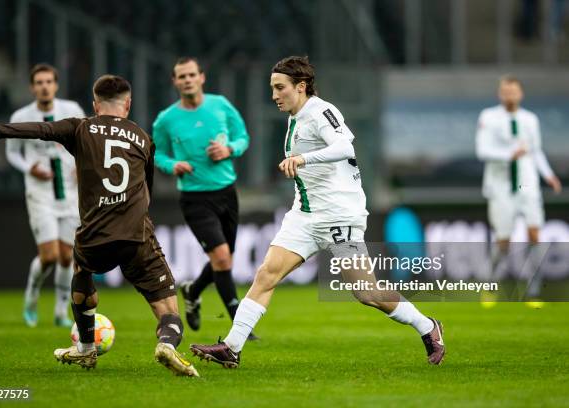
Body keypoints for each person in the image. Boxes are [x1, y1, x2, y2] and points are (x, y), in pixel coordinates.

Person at [189, 56, 445, 368]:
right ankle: (231, 347)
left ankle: (428, 326)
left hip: (339, 216)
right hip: (305, 216)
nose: (274, 95)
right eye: (272, 88)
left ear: (301, 86)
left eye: (280, 87)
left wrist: (304, 159)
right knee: (267, 273)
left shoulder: (321, 111)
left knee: (367, 293)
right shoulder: (295, 116)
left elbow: (345, 147)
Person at [0, 75, 199, 376]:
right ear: (127, 104)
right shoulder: (143, 138)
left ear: (94, 105)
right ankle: (167, 343)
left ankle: (86, 349)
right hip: (136, 235)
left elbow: (41, 129)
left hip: (94, 236)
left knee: (82, 270)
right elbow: (148, 191)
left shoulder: (80, 127)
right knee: (168, 311)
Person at [152, 57, 256, 339]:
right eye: (181, 76)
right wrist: (172, 165)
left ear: (201, 77)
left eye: (191, 75)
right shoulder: (166, 119)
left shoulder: (220, 105)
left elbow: (243, 137)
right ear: (174, 82)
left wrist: (229, 149)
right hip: (195, 198)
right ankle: (239, 324)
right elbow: (157, 153)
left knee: (225, 259)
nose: (186, 80)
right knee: (222, 259)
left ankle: (193, 290)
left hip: (226, 192)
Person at [6, 63, 85, 328]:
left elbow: (86, 141)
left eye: (48, 81)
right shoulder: (21, 116)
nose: (44, 86)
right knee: (49, 255)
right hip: (40, 195)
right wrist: (30, 168)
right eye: (39, 82)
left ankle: (61, 312)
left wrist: (81, 164)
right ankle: (31, 298)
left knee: (67, 257)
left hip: (70, 195)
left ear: (56, 85)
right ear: (32, 87)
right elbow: (12, 152)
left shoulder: (72, 110)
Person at [476, 75, 562, 308]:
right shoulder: (488, 117)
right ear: (499, 94)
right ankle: (491, 284)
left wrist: (549, 175)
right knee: (503, 241)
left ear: (520, 94)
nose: (509, 96)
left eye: (513, 92)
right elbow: (482, 150)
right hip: (500, 185)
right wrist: (508, 155)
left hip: (526, 182)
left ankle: (533, 292)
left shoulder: (530, 119)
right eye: (505, 92)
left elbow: (535, 151)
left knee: (534, 234)